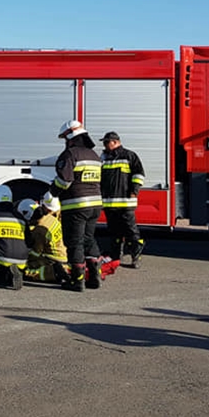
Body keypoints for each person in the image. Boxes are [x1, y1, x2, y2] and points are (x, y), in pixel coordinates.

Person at [48, 119, 103, 291]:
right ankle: (94, 278)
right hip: (95, 205)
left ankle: (77, 281)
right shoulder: (94, 155)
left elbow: (65, 180)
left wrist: (52, 192)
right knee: (89, 239)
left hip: (76, 205)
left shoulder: (70, 154)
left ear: (70, 137)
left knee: (75, 242)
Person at [100, 131, 146, 268]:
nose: (104, 145)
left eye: (106, 142)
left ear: (115, 142)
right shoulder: (104, 158)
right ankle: (115, 257)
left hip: (126, 203)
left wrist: (134, 190)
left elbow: (139, 174)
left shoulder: (129, 156)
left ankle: (135, 257)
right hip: (109, 204)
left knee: (131, 232)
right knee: (114, 233)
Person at [17, 195, 70, 284]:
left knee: (26, 268)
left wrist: (24, 259)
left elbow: (35, 253)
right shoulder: (50, 218)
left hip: (53, 259)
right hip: (63, 254)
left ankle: (54, 273)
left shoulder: (39, 230)